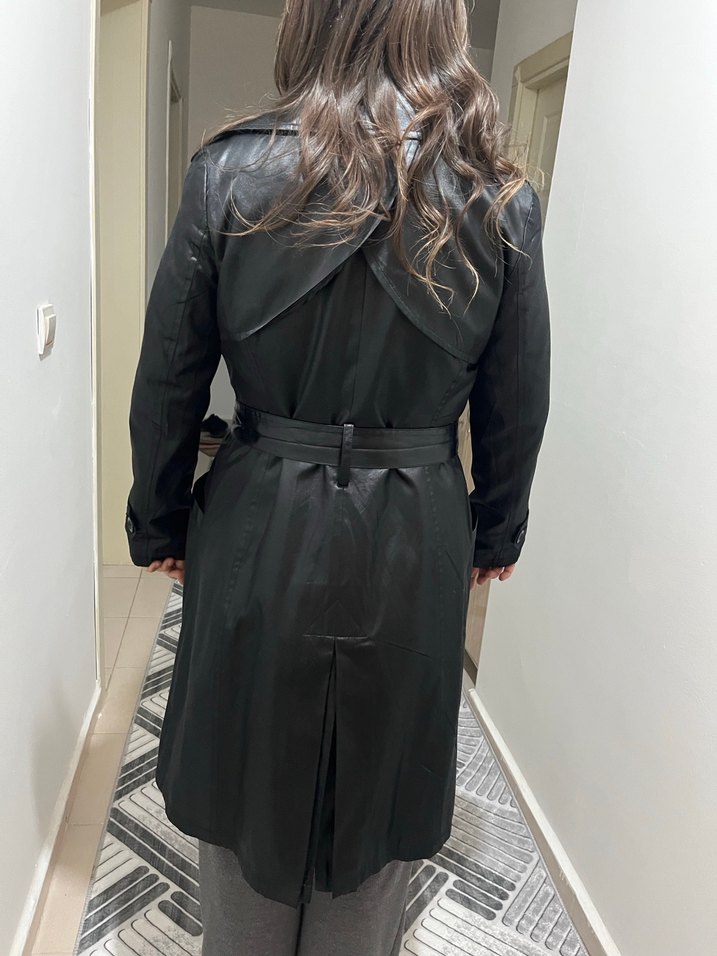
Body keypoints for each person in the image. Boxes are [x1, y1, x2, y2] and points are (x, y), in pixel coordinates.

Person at [124, 0, 551, 952]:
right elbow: (517, 399)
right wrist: (494, 532)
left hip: (259, 516)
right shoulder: (496, 197)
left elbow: (168, 378)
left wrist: (158, 524)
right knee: (378, 796)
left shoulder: (229, 172)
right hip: (416, 531)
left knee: (245, 776)